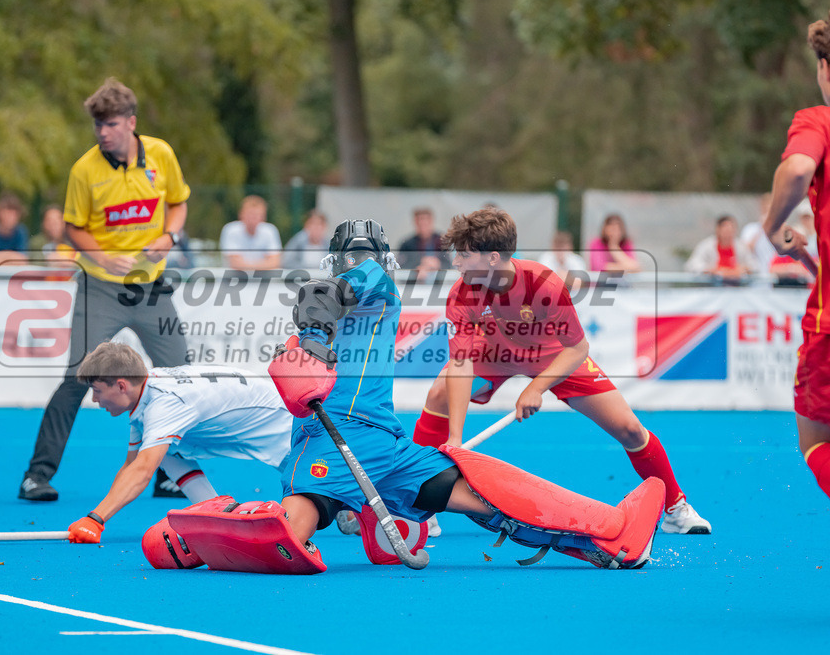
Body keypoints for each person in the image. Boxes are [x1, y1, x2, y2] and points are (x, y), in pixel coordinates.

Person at [146, 219, 667, 574]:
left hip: (360, 445)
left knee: (469, 498)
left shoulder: (326, 310)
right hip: (351, 438)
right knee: (479, 496)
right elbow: (321, 296)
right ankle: (607, 536)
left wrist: (310, 340)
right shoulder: (374, 278)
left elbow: (318, 301)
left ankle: (604, 543)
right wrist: (313, 338)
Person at [411, 207, 710, 536]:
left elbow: (578, 348)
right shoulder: (462, 293)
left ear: (493, 257)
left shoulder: (543, 284)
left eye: (464, 256)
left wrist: (536, 388)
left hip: (552, 355)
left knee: (630, 429)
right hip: (494, 352)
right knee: (439, 393)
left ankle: (675, 507)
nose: (455, 263)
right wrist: (455, 438)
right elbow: (460, 363)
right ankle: (418, 499)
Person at [18, 77, 191, 502]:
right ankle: (36, 476)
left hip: (152, 287)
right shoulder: (84, 169)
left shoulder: (162, 155)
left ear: (131, 123)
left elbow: (179, 202)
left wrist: (170, 237)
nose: (102, 132)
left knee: (181, 377)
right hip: (101, 289)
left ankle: (173, 473)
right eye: (97, 125)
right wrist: (102, 255)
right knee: (79, 376)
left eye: (110, 124)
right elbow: (74, 229)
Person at [65, 342, 292, 543]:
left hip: (287, 427)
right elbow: (131, 466)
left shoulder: (164, 404)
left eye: (97, 391)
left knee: (320, 499)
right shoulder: (146, 390)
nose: (94, 399)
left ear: (122, 386)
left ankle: (216, 515)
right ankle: (216, 514)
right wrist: (96, 517)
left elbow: (142, 471)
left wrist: (95, 519)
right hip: (264, 421)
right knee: (158, 450)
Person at [762, 11, 830, 502]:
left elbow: (800, 166)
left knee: (816, 443)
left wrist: (771, 224)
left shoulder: (818, 120)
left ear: (824, 67)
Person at [684, 215, 757, 282]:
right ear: (718, 229)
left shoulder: (741, 247)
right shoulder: (706, 246)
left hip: (737, 287)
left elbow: (754, 265)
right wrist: (712, 270)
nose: (728, 233)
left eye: (731, 229)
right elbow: (692, 265)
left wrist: (744, 269)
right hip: (712, 286)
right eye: (725, 229)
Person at [219, 194, 282, 270]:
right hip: (234, 281)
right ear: (241, 214)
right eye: (250, 214)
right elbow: (235, 263)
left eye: (257, 215)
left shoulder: (270, 231)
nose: (253, 219)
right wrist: (263, 266)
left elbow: (275, 262)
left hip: (262, 280)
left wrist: (250, 268)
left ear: (264, 217)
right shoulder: (231, 230)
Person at [398, 207, 448, 283]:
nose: (423, 225)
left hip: (439, 286)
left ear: (431, 221)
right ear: (415, 222)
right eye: (420, 221)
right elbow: (401, 266)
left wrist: (438, 264)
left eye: (425, 221)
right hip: (414, 286)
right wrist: (419, 265)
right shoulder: (407, 244)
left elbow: (451, 265)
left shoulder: (442, 241)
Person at [741, 193, 779, 278]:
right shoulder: (750, 229)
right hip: (756, 277)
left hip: (775, 277)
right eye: (765, 208)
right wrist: (761, 228)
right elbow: (745, 250)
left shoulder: (780, 230)